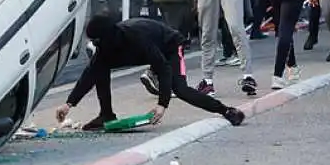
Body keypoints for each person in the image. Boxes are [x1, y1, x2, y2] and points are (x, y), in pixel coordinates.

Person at [55, 15, 245, 131]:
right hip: (144, 52)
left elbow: (163, 68)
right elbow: (90, 74)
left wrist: (162, 105)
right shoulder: (106, 45)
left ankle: (226, 110)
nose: (96, 44)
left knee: (180, 89)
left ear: (107, 36)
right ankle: (106, 114)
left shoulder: (136, 37)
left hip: (168, 47)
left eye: (97, 40)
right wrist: (69, 104)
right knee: (99, 69)